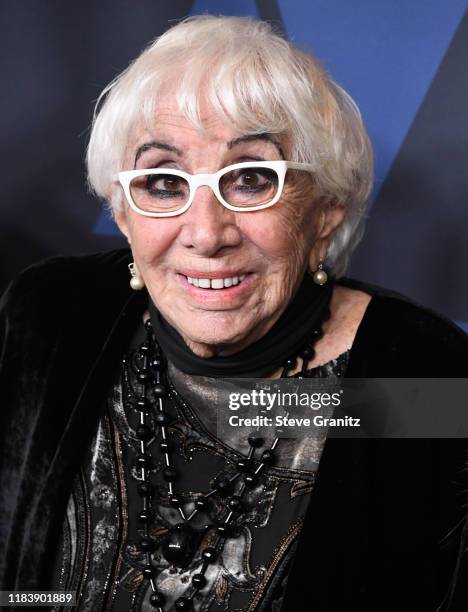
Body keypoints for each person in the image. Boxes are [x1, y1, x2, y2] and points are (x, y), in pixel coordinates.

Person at [1, 14, 467, 612]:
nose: (205, 232)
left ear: (325, 208)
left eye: (250, 179)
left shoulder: (418, 377)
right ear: (122, 213)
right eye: (163, 182)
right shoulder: (53, 321)